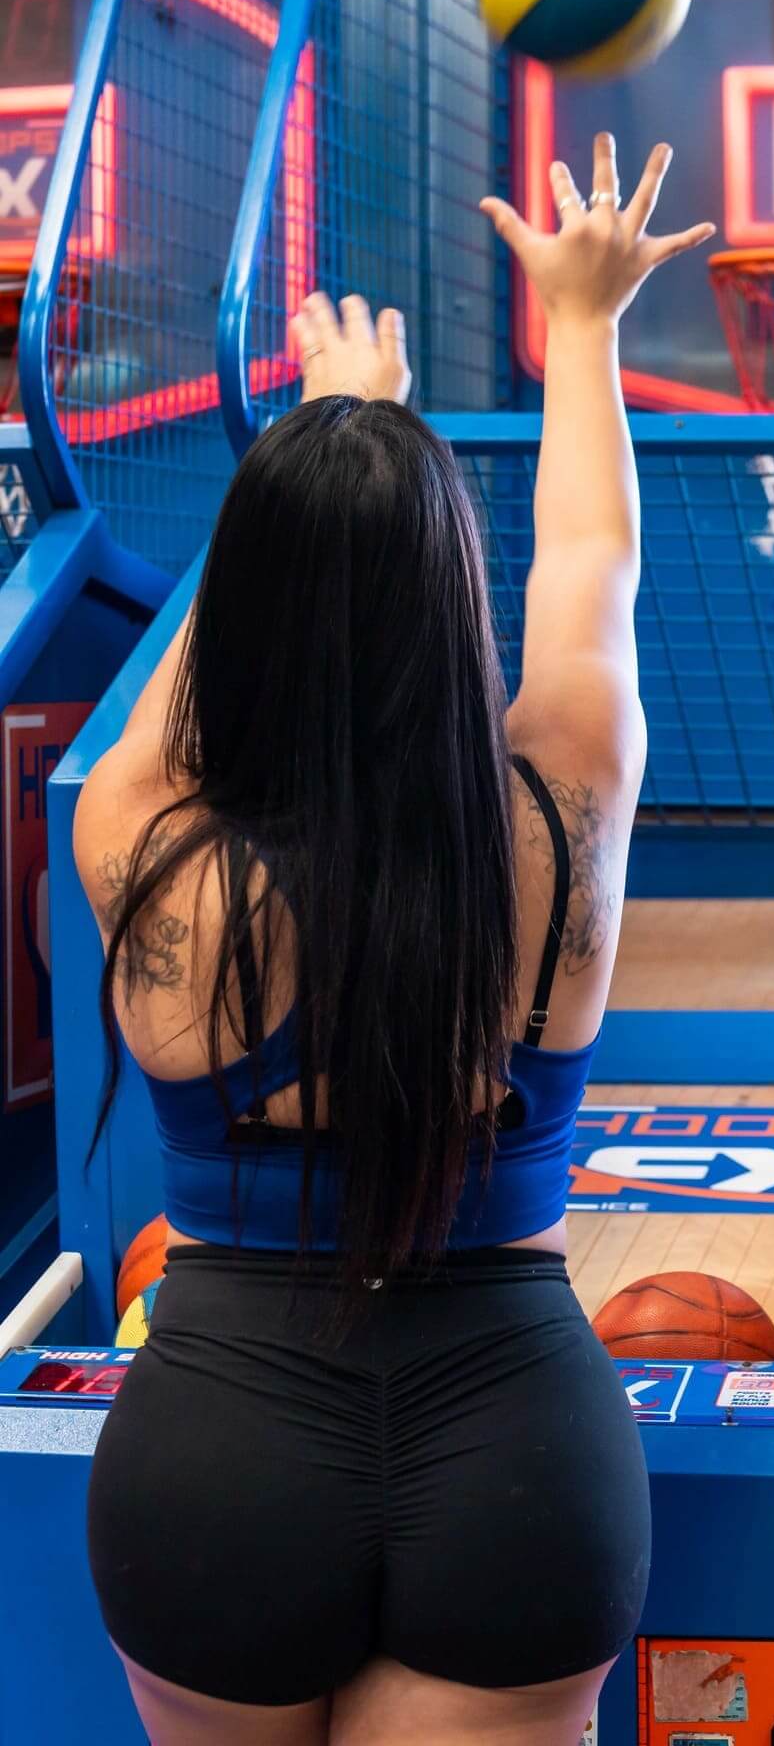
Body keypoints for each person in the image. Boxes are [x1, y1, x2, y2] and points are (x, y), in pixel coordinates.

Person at [73, 135, 715, 1746]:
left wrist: (319, 441)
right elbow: (593, 568)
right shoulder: (560, 821)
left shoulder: (143, 850)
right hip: (516, 1454)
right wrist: (584, 322)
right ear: (453, 602)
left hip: (219, 1464)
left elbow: (233, 651)